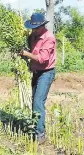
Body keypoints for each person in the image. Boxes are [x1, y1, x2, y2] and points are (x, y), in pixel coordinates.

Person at [20, 13, 56, 144]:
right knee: (34, 101)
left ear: (42, 26)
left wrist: (26, 54)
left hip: (46, 73)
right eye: (32, 28)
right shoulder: (33, 36)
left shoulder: (49, 38)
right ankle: (36, 127)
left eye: (35, 28)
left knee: (38, 102)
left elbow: (42, 58)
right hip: (36, 72)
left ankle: (40, 133)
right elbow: (30, 49)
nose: (33, 30)